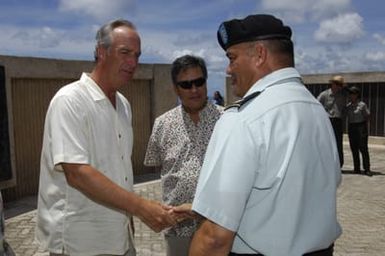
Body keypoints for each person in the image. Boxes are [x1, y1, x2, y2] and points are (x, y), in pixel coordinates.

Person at [174, 14, 342, 255]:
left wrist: (216, 217)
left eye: (232, 58)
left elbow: (214, 238)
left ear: (260, 54)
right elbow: (301, 191)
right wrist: (206, 206)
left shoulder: (243, 119)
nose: (228, 69)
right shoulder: (317, 111)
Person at [35, 19, 176, 256]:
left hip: (119, 238)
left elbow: (119, 170)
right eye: (125, 53)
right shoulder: (69, 100)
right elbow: (77, 173)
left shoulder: (123, 105)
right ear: (102, 52)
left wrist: (129, 221)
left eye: (137, 55)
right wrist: (141, 207)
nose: (133, 63)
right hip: (80, 242)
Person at [144, 55, 222, 256]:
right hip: (177, 228)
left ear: (206, 82)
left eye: (199, 82)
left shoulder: (228, 120)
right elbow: (156, 163)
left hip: (219, 226)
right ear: (176, 88)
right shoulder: (162, 124)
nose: (194, 90)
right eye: (186, 85)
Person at [317, 75, 348, 168]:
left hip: (338, 121)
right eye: (337, 84)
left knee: (338, 143)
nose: (338, 86)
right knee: (326, 143)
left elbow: (345, 108)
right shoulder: (324, 95)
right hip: (327, 121)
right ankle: (326, 164)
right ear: (332, 84)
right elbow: (316, 105)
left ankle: (339, 165)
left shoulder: (342, 96)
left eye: (340, 85)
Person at [346, 86, 372, 176]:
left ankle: (367, 169)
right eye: (350, 94)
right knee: (354, 148)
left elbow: (367, 116)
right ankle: (356, 168)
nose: (351, 95)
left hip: (361, 126)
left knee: (363, 148)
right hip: (351, 127)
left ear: (357, 95)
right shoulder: (348, 106)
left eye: (353, 94)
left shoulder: (362, 105)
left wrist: (364, 127)